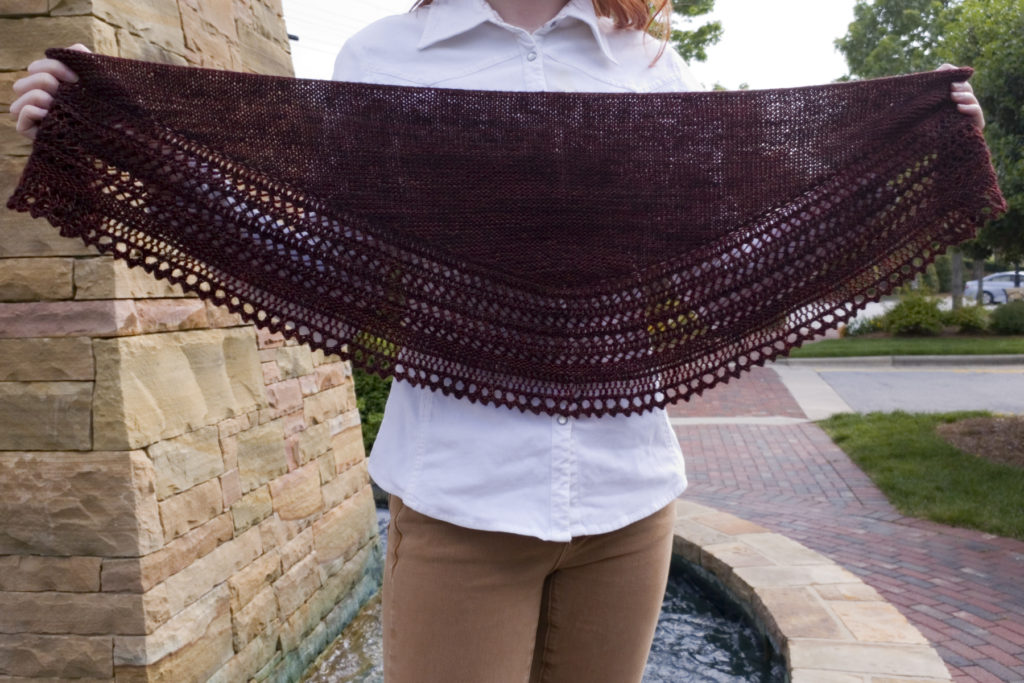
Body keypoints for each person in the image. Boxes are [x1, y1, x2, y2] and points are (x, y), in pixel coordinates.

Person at [9, 2, 986, 681]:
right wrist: (109, 137)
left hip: (631, 501)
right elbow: (307, 246)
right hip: (459, 506)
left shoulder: (643, 62)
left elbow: (735, 251)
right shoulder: (387, 56)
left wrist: (906, 158)